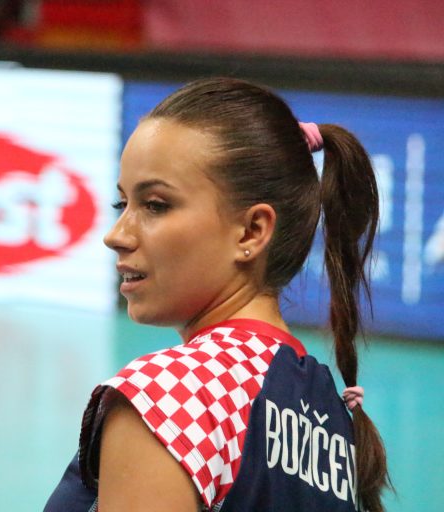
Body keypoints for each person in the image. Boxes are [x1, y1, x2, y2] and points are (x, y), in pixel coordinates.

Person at [44, 77, 391, 511]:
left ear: (251, 231)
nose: (117, 235)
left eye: (155, 205)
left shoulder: (170, 394)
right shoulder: (330, 418)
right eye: (122, 205)